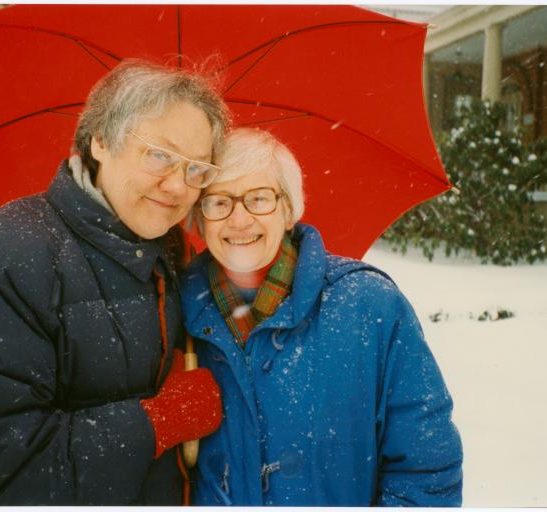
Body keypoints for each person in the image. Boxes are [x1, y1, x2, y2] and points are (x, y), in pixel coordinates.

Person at [0, 59, 229, 505]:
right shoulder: (8, 255)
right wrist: (158, 421)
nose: (179, 186)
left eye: (197, 169)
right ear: (100, 140)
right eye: (160, 155)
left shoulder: (173, 257)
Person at [180, 128, 463, 506]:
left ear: (287, 210)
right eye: (218, 203)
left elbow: (426, 469)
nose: (239, 219)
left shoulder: (369, 304)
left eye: (259, 199)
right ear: (199, 217)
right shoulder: (175, 312)